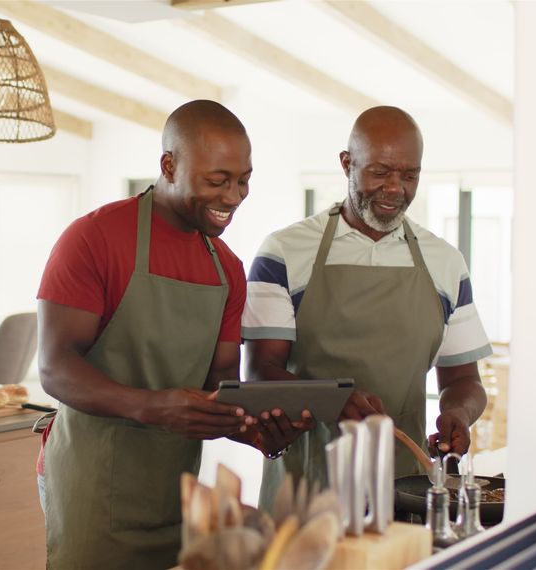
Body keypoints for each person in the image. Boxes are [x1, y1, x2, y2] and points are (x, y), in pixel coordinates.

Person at [36, 100, 292, 569]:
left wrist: (253, 427)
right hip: (93, 490)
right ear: (169, 165)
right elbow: (55, 367)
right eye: (218, 180)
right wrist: (154, 407)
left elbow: (218, 385)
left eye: (243, 181)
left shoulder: (228, 270)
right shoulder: (93, 239)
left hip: (175, 494)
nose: (234, 196)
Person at [242, 106, 491, 507]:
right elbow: (258, 373)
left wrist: (458, 415)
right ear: (347, 164)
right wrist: (330, 398)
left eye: (409, 175)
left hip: (405, 493)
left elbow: (464, 380)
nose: (396, 188)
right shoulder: (285, 252)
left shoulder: (445, 262)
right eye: (380, 172)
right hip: (306, 489)